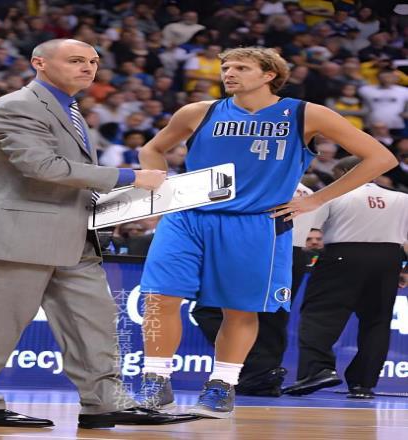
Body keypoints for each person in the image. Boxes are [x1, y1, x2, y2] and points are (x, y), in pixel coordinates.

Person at [0, 39, 197, 430]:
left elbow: (68, 177)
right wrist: (129, 177)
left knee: (95, 322)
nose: (87, 67)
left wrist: (122, 200)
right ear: (38, 62)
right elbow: (43, 167)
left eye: (93, 61)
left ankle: (105, 402)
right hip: (18, 236)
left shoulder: (68, 108)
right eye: (75, 60)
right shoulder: (15, 106)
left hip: (73, 235)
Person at [134, 46, 397, 419]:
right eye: (226, 67)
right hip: (188, 217)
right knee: (159, 297)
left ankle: (222, 384)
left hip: (254, 221)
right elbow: (152, 149)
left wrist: (316, 199)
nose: (229, 73)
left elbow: (381, 158)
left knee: (239, 309)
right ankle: (155, 381)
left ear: (269, 74)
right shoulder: (198, 112)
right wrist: (163, 193)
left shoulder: (305, 113)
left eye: (241, 67)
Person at [283, 156, 408, 399]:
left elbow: (308, 229)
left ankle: (318, 370)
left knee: (319, 315)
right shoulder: (401, 198)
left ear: (345, 173)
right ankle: (363, 384)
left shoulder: (334, 195)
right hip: (388, 259)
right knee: (377, 322)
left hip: (342, 255)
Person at [192, 183, 319, 397]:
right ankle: (265, 374)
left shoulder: (260, 182)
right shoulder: (308, 192)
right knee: (274, 315)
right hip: (293, 254)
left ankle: (252, 366)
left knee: (212, 309)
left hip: (255, 248)